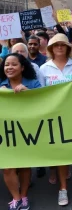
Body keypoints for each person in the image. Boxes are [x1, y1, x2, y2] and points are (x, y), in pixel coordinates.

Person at [40, 33, 72, 206]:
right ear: (51, 49)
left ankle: (63, 169)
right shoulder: (44, 69)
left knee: (68, 148)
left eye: (63, 45)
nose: (60, 48)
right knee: (58, 149)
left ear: (68, 48)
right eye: (56, 45)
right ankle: (63, 189)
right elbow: (40, 93)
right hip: (52, 115)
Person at [0, 53, 41, 210]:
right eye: (6, 65)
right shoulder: (1, 85)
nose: (9, 67)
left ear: (22, 67)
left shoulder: (33, 83)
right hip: (6, 134)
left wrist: (29, 94)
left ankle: (24, 196)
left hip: (28, 133)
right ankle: (16, 198)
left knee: (24, 166)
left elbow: (46, 103)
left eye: (14, 64)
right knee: (8, 166)